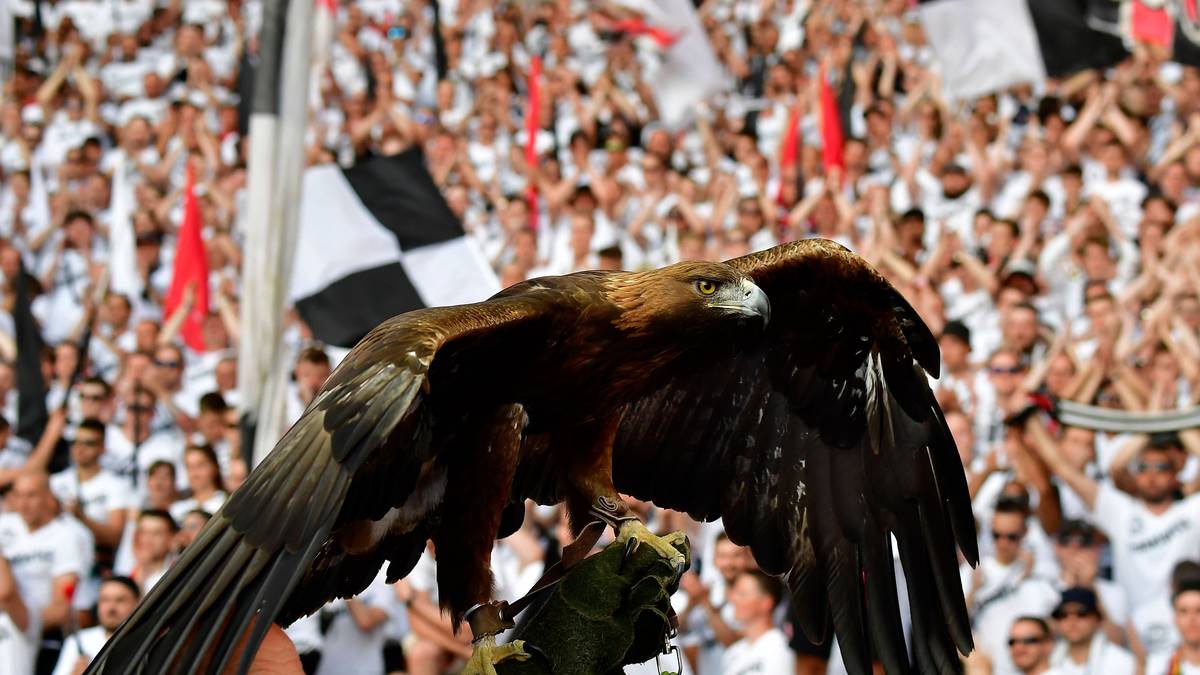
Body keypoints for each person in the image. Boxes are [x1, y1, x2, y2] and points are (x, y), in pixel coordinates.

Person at [1024, 420, 1200, 614]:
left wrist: (1179, 420)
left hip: (1187, 619)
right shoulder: (1121, 512)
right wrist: (1030, 416)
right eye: (1143, 468)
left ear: (1176, 475)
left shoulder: (1191, 511)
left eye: (1161, 468)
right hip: (1133, 626)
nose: (1151, 476)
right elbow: (1066, 471)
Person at [0, 472, 87, 674]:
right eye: (18, 496)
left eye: (31, 496)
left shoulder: (66, 536)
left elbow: (61, 607)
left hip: (40, 634)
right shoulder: (5, 525)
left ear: (49, 497)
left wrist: (24, 625)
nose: (23, 504)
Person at [50, 576, 140, 675]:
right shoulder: (77, 641)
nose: (111, 608)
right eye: (105, 600)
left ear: (137, 603)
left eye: (120, 600)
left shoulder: (147, 639)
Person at [720, 570, 795, 675]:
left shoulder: (780, 648)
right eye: (734, 593)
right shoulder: (733, 652)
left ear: (766, 603)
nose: (733, 598)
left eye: (742, 594)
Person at [1046, 587, 1136, 675]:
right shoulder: (1046, 659)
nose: (1072, 622)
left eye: (1081, 614)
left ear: (1097, 618)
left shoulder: (1121, 662)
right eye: (1063, 615)